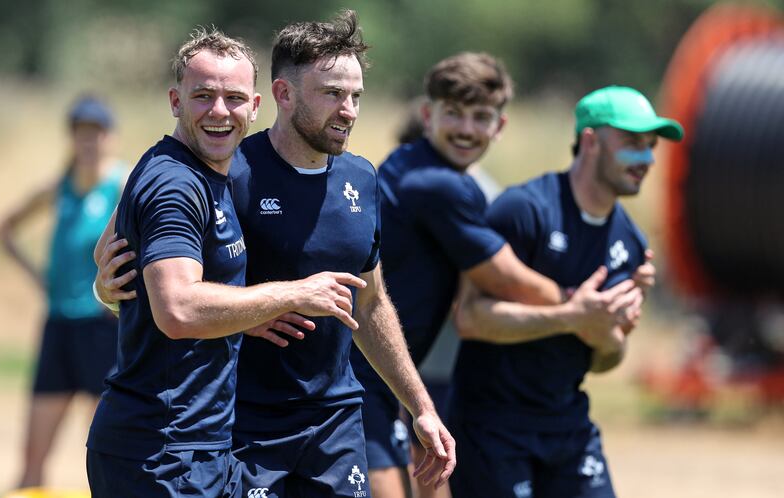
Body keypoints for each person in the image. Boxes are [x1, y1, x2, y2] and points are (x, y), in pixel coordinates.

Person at [94, 11, 455, 498]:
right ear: (284, 97)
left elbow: (369, 303)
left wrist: (421, 406)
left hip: (335, 422)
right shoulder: (225, 165)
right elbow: (133, 244)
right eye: (332, 94)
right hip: (237, 428)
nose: (348, 110)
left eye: (355, 96)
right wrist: (108, 284)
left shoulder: (362, 179)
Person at [348, 52, 566, 498]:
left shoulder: (408, 162)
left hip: (383, 378)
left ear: (498, 127)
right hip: (359, 376)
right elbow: (506, 279)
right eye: (454, 114)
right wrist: (580, 304)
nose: (466, 129)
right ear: (428, 115)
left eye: (481, 117)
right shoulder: (438, 183)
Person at [449, 85, 683, 498]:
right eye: (631, 143)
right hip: (493, 427)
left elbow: (605, 361)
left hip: (568, 426)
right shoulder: (524, 210)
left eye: (651, 146)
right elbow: (470, 318)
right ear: (590, 141)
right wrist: (572, 316)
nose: (646, 158)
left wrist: (609, 333)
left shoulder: (630, 242)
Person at [0, 95, 125, 489]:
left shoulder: (122, 184)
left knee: (111, 450)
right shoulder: (58, 187)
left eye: (96, 133)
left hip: (102, 329)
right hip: (58, 327)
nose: (88, 142)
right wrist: (39, 277)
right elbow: (5, 230)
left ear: (109, 137)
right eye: (80, 133)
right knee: (32, 457)